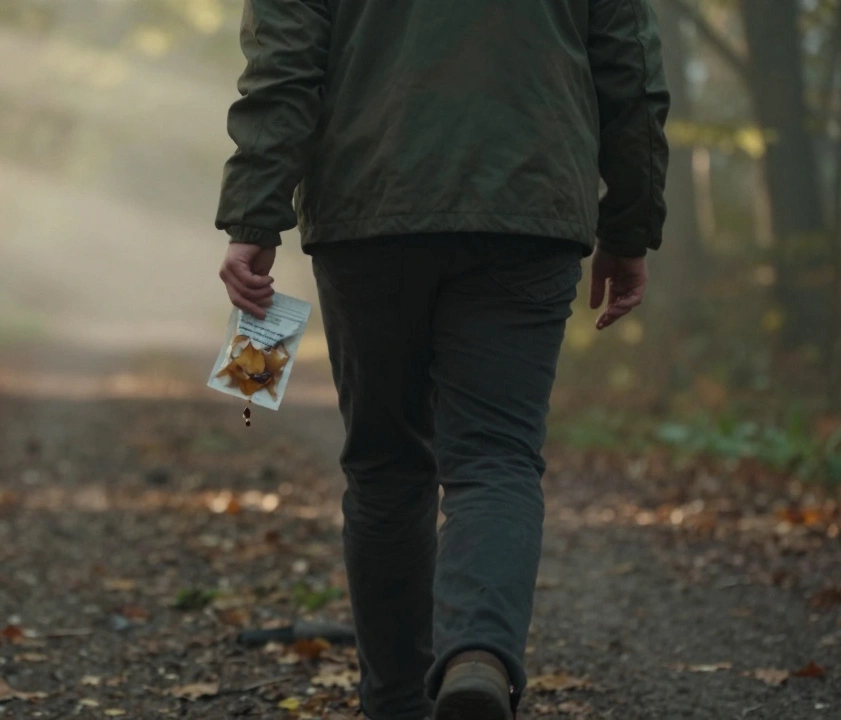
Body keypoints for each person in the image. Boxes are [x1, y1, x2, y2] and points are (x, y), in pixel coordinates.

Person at [214, 2, 669, 719]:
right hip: (528, 206)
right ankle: (478, 658)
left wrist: (254, 216)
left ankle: (396, 703)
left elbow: (283, 68)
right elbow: (630, 68)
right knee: (496, 457)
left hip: (371, 207)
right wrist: (631, 225)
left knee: (386, 464)